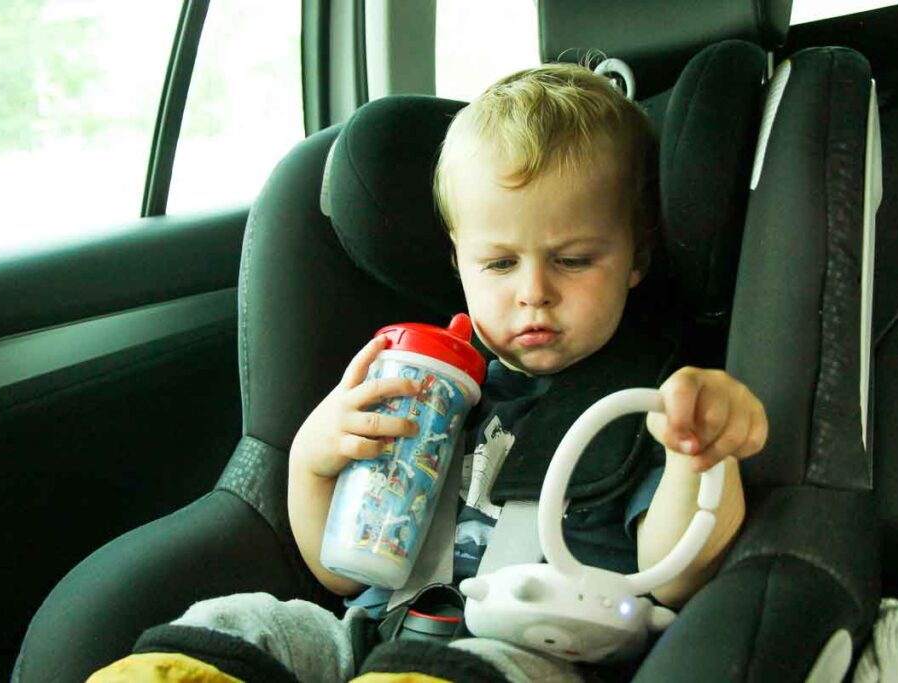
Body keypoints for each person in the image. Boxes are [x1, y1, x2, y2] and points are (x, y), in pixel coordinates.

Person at [88, 62, 767, 683]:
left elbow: (676, 577)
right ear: (459, 263)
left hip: (535, 653)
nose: (534, 291)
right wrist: (313, 460)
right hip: (373, 634)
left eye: (574, 259)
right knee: (238, 619)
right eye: (500, 264)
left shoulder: (645, 401)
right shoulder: (424, 384)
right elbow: (338, 574)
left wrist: (698, 452)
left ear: (635, 257)